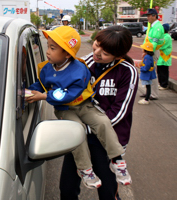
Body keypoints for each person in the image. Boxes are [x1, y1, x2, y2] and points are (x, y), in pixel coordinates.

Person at [26, 26, 131, 189]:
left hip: (85, 106)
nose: (96, 53)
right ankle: (85, 169)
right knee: (77, 131)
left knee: (103, 122)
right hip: (65, 110)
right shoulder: (48, 68)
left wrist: (45, 96)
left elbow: (69, 94)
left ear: (67, 53)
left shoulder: (80, 68)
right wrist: (27, 91)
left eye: (52, 48)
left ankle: (117, 159)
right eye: (97, 45)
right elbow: (41, 84)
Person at [59, 26, 138, 200]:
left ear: (118, 55)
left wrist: (88, 128)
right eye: (97, 44)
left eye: (106, 52)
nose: (98, 52)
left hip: (106, 139)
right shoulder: (84, 63)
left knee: (107, 191)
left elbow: (120, 111)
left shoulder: (127, 71)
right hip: (79, 136)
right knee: (67, 187)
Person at [141, 8, 165, 100]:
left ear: (154, 16)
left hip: (152, 52)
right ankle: (149, 92)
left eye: (148, 16)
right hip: (149, 52)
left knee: (151, 72)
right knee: (149, 72)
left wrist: (148, 54)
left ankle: (153, 94)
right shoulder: (153, 26)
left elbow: (154, 43)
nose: (147, 18)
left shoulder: (157, 27)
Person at [157, 23, 172, 90]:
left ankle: (164, 85)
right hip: (161, 57)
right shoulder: (163, 36)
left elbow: (161, 45)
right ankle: (161, 84)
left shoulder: (167, 37)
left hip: (164, 57)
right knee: (159, 71)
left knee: (163, 72)